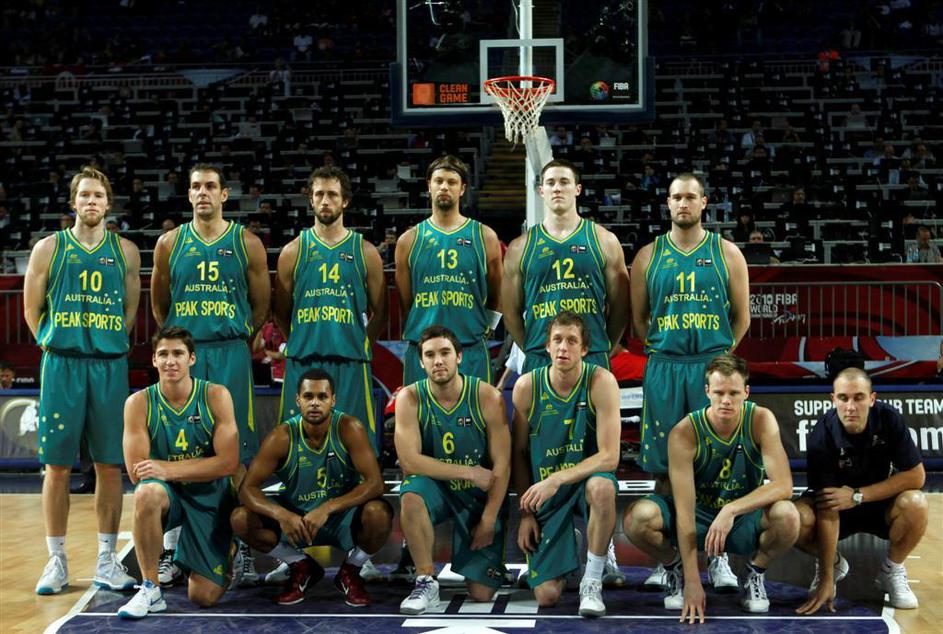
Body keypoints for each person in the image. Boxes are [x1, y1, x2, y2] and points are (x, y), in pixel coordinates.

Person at [150, 163, 270, 585]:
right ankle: (172, 550)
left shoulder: (247, 243)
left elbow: (261, 305)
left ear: (224, 194)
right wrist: (181, 346)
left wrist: (238, 336)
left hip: (230, 353)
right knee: (177, 448)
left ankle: (243, 547)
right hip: (186, 355)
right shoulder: (169, 243)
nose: (203, 192)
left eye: (211, 186)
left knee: (237, 456)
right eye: (196, 186)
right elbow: (160, 306)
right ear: (189, 194)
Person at [24, 165, 142, 595]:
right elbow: (32, 309)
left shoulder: (126, 251)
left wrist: (106, 341)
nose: (91, 201)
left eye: (98, 196)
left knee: (110, 465)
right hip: (63, 364)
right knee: (56, 466)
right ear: (73, 202)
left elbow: (130, 311)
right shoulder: (48, 248)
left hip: (108, 365)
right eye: (85, 195)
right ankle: (56, 561)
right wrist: (53, 341)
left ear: (108, 205)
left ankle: (107, 560)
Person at [631, 172, 751, 590]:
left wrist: (719, 360)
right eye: (676, 197)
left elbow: (742, 317)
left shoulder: (727, 253)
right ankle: (671, 561)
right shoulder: (648, 256)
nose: (683, 203)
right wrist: (667, 349)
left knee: (716, 464)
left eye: (690, 197)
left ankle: (717, 557)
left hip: (709, 367)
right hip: (665, 366)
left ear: (704, 202)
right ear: (667, 203)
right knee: (665, 468)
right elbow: (640, 320)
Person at [623, 354, 799, 622]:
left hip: (741, 518)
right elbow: (684, 511)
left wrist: (731, 510)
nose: (726, 400)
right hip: (698, 515)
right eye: (719, 392)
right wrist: (693, 580)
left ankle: (755, 573)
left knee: (788, 516)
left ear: (746, 392)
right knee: (637, 518)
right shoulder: (685, 432)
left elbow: (784, 485)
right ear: (707, 392)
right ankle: (674, 568)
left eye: (733, 393)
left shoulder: (761, 420)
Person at [231, 368, 392, 606]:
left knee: (378, 514)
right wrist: (282, 515)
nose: (315, 403)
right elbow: (247, 489)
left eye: (322, 396)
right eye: (308, 396)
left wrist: (327, 508)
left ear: (333, 400)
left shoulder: (349, 428)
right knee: (240, 519)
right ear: (298, 400)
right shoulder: (281, 437)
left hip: (341, 518)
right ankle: (300, 565)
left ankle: (350, 571)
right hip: (297, 519)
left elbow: (375, 483)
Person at [118, 327, 240, 618]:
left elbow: (228, 463)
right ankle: (150, 589)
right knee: (146, 493)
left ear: (192, 358)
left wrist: (167, 468)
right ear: (154, 360)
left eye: (178, 354)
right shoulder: (138, 403)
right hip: (169, 495)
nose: (170, 361)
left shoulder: (216, 395)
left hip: (209, 496)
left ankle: (227, 549)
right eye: (163, 354)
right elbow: (138, 473)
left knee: (203, 597)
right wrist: (173, 472)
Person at [393, 325, 511, 615]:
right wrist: (469, 471)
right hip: (438, 490)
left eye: (445, 353)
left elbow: (503, 464)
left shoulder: (487, 397)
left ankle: (491, 560)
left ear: (459, 356)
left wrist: (489, 518)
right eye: (430, 355)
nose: (438, 361)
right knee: (411, 493)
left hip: (477, 498)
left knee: (482, 594)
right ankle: (425, 580)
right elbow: (410, 462)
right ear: (421, 362)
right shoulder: (409, 398)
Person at [511, 311, 621, 617]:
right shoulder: (526, 387)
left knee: (602, 488)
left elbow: (610, 456)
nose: (563, 347)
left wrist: (557, 478)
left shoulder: (601, 381)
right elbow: (518, 453)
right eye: (557, 340)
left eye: (572, 341)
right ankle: (568, 545)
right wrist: (525, 514)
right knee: (546, 596)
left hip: (582, 484)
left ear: (584, 349)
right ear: (546, 346)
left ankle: (592, 580)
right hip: (548, 497)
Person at [794, 367, 927, 613]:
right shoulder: (822, 435)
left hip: (877, 503)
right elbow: (828, 506)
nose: (851, 406)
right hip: (837, 507)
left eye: (859, 398)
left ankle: (892, 570)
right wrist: (826, 577)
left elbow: (916, 476)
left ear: (872, 399)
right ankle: (833, 563)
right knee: (795, 518)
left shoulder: (889, 419)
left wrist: (857, 495)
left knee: (916, 503)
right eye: (843, 398)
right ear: (833, 399)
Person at [274, 166, 387, 450]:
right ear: (311, 200)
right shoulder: (292, 251)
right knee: (298, 450)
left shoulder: (365, 251)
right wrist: (300, 341)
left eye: (333, 195)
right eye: (319, 194)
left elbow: (381, 312)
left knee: (354, 449)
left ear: (345, 201)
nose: (325, 201)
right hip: (304, 361)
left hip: (350, 363)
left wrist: (361, 344)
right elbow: (281, 312)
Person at [502, 158, 629, 375]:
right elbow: (510, 313)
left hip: (591, 355)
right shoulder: (520, 247)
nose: (557, 188)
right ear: (541, 191)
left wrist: (602, 346)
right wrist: (533, 347)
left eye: (564, 182)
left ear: (577, 189)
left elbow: (621, 307)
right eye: (550, 183)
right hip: (540, 357)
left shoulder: (604, 240)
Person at [395, 155, 502, 385]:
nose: (444, 187)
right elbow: (406, 302)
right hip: (423, 350)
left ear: (462, 189)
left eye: (452, 182)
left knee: (477, 409)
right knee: (419, 410)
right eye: (439, 181)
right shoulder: (409, 240)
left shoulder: (484, 236)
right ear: (429, 186)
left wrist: (488, 327)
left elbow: (497, 293)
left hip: (469, 347)